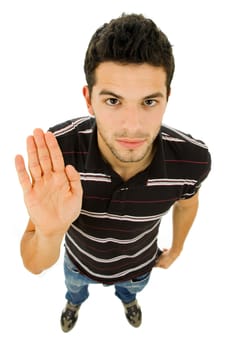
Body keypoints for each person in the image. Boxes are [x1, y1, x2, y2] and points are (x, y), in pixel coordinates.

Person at [15, 13, 211, 332]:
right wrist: (49, 233)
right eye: (113, 100)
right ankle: (73, 303)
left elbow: (188, 203)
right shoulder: (58, 152)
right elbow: (33, 263)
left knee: (130, 290)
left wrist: (176, 249)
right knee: (75, 289)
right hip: (78, 263)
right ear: (89, 100)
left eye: (149, 101)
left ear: (166, 99)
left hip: (138, 268)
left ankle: (128, 300)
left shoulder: (192, 159)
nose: (131, 125)